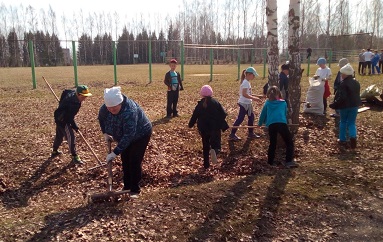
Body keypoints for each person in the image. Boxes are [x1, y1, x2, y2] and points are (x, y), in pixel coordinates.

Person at [98, 86, 152, 197]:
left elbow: (129, 135)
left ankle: (134, 189)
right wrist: (105, 133)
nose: (112, 110)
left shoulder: (129, 111)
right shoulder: (105, 108)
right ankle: (126, 186)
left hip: (140, 134)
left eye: (114, 108)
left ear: (120, 103)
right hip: (123, 135)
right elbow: (101, 119)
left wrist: (115, 152)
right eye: (109, 108)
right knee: (125, 160)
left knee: (134, 160)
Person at [188, 85, 229, 169]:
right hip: (215, 127)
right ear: (211, 93)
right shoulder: (215, 102)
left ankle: (206, 165)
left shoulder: (199, 105)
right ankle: (215, 151)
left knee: (205, 146)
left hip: (203, 128)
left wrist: (190, 124)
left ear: (201, 94)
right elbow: (223, 113)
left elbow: (194, 116)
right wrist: (220, 121)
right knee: (216, 143)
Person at [258, 86, 298, 168]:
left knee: (273, 143)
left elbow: (263, 114)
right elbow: (285, 113)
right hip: (282, 124)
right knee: (289, 142)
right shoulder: (283, 103)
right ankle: (288, 161)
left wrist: (260, 123)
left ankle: (270, 162)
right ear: (279, 94)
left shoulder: (267, 103)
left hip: (272, 125)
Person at [51, 85, 92, 164]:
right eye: (83, 96)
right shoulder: (73, 103)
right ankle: (74, 156)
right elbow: (69, 118)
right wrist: (75, 126)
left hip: (59, 117)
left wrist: (61, 103)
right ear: (78, 94)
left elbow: (65, 91)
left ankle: (54, 151)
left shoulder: (73, 93)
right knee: (71, 137)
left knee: (59, 136)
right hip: (63, 120)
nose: (85, 98)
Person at [329, 64, 361, 149]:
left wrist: (335, 104)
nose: (341, 75)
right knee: (351, 123)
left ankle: (342, 139)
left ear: (345, 74)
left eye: (342, 74)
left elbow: (341, 97)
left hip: (345, 106)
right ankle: (353, 137)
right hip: (354, 105)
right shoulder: (356, 82)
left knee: (343, 122)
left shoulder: (343, 84)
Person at [229, 66, 262, 141]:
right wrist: (254, 99)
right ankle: (232, 134)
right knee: (240, 118)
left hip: (248, 103)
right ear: (249, 74)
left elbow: (248, 93)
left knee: (251, 117)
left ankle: (251, 133)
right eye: (253, 75)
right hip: (244, 103)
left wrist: (258, 96)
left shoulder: (247, 82)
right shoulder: (245, 83)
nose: (254, 77)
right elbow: (244, 94)